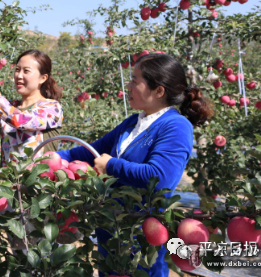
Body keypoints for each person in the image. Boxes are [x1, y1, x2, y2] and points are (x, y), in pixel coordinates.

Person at [56, 53, 214, 277]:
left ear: (158, 91)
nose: (127, 86)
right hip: (111, 234)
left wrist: (111, 165)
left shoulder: (175, 126)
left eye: (135, 80)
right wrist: (50, 159)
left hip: (141, 238)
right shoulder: (133, 122)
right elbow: (89, 151)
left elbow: (161, 177)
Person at [0, 49, 63, 166]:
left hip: (37, 183)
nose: (19, 76)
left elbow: (19, 120)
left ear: (43, 78)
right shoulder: (8, 107)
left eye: (26, 71)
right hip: (7, 182)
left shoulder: (52, 108)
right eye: (17, 70)